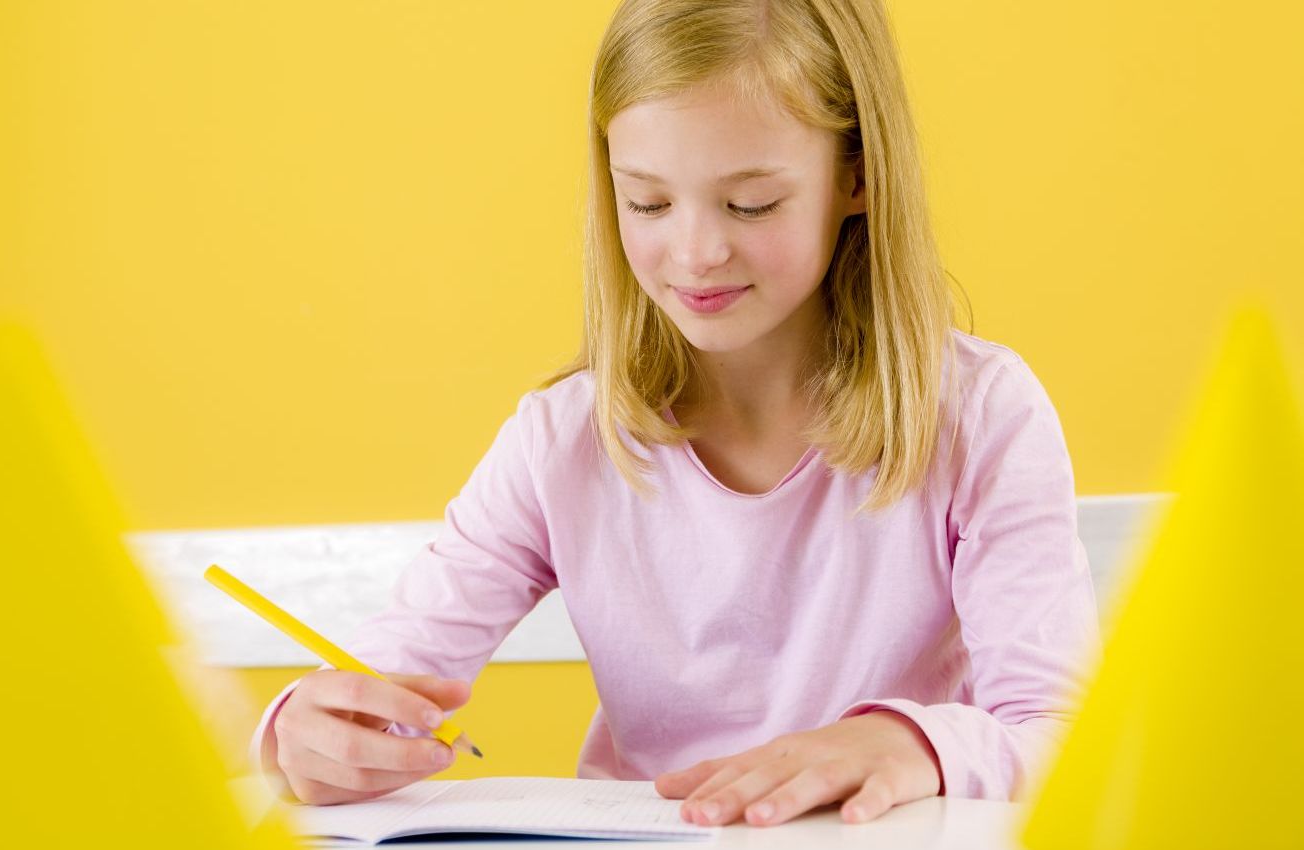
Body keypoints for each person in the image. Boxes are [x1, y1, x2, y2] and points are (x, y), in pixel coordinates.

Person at [252, 0, 1100, 827]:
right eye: (648, 203)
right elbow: (378, 687)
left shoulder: (981, 416)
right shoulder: (561, 442)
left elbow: (1061, 736)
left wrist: (911, 744)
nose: (694, 253)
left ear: (857, 175)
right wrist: (307, 736)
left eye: (751, 203)